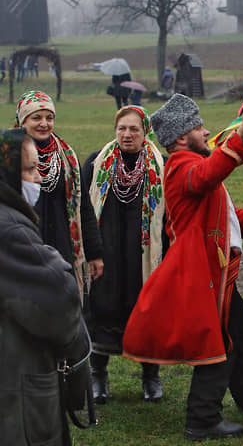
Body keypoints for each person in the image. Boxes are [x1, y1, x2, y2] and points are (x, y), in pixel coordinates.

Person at [122, 93, 243, 441]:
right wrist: (238, 141)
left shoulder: (194, 164)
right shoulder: (182, 167)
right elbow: (205, 176)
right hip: (198, 273)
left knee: (237, 324)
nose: (206, 131)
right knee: (217, 343)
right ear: (182, 136)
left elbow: (226, 220)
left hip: (213, 270)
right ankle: (202, 419)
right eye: (199, 127)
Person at [0, 128, 92, 446]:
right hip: (16, 384)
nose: (38, 178)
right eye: (27, 169)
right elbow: (60, 299)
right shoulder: (10, 231)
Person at [82, 106, 166, 404]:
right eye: (122, 129)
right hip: (105, 253)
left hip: (145, 255)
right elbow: (82, 208)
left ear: (145, 133)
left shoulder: (161, 165)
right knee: (101, 308)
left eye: (134, 130)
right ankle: (98, 376)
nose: (127, 134)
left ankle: (150, 376)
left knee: (146, 310)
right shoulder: (96, 163)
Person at [15, 90, 104, 299]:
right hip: (25, 241)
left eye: (49, 118)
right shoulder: (10, 154)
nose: (44, 124)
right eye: (36, 117)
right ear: (22, 120)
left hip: (62, 241)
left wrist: (95, 253)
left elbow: (83, 207)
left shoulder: (67, 156)